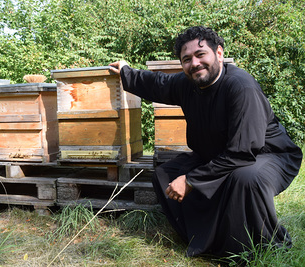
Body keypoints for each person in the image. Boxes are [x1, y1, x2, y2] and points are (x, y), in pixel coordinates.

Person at [109, 26, 303, 257]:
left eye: (201, 55)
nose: (195, 64)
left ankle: (259, 247)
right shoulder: (187, 83)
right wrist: (125, 72)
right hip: (220, 154)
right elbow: (158, 83)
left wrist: (191, 180)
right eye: (187, 59)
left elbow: (242, 152)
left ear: (218, 53)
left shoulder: (241, 87)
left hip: (268, 155)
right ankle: (202, 238)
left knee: (245, 178)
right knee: (165, 174)